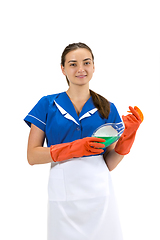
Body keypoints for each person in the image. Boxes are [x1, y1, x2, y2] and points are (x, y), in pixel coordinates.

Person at [24, 42, 143, 240]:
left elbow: (109, 163)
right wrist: (74, 148)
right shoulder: (47, 104)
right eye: (72, 64)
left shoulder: (107, 107)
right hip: (63, 194)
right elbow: (32, 155)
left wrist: (128, 138)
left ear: (94, 67)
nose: (80, 69)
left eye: (86, 63)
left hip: (99, 194)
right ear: (62, 69)